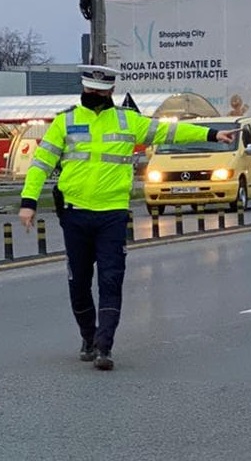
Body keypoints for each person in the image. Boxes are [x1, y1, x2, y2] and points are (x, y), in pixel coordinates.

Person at [18, 64, 238, 371]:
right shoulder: (65, 122)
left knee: (111, 279)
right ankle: (88, 337)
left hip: (112, 214)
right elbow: (41, 164)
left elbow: (170, 131)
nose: (94, 95)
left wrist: (212, 134)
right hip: (75, 214)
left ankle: (104, 346)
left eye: (100, 91)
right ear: (83, 88)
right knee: (79, 283)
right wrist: (28, 202)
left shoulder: (127, 121)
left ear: (111, 91)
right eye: (90, 90)